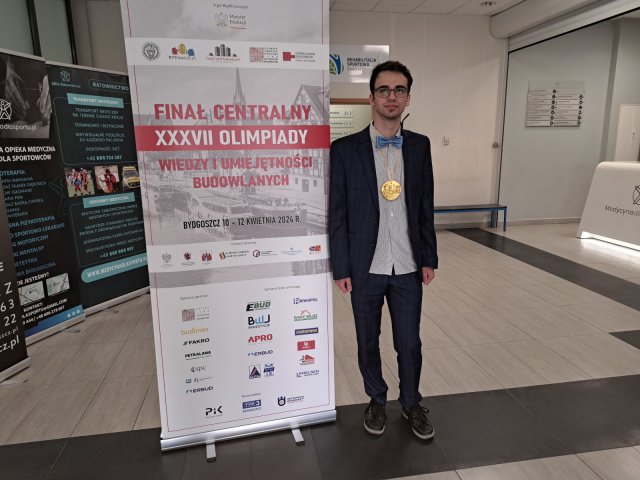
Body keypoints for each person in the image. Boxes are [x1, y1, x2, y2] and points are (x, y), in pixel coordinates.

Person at [329, 61, 438, 440]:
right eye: (384, 90)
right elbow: (338, 213)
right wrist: (341, 266)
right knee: (366, 340)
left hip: (407, 264)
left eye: (399, 90)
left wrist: (428, 257)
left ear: (408, 97)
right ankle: (376, 399)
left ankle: (411, 403)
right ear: (371, 97)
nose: (392, 96)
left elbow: (425, 206)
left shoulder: (420, 146)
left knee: (409, 342)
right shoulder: (344, 150)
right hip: (366, 264)